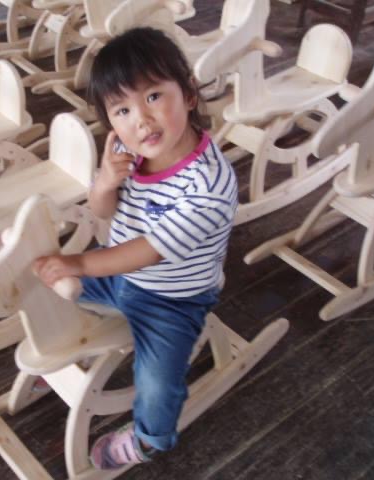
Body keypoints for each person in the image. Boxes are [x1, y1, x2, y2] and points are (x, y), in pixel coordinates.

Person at [34, 27, 238, 470]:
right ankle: (67, 352)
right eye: (122, 109)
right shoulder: (130, 152)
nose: (141, 120)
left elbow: (148, 251)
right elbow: (103, 212)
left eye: (153, 97)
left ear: (188, 94)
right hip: (118, 274)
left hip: (172, 297)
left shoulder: (209, 185)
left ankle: (151, 438)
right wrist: (106, 181)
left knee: (158, 383)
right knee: (44, 287)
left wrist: (78, 262)